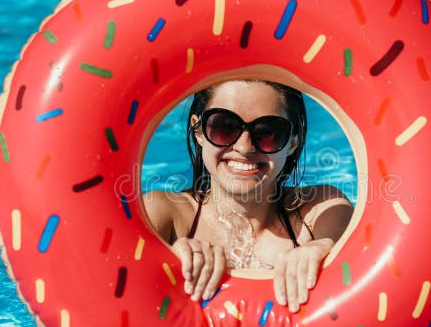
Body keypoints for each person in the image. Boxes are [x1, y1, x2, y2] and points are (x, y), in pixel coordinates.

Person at [144, 79, 353, 313]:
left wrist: (324, 247)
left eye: (268, 132)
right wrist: (163, 260)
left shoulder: (321, 210)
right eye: (225, 126)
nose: (245, 148)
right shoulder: (166, 214)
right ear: (199, 130)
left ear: (292, 142)